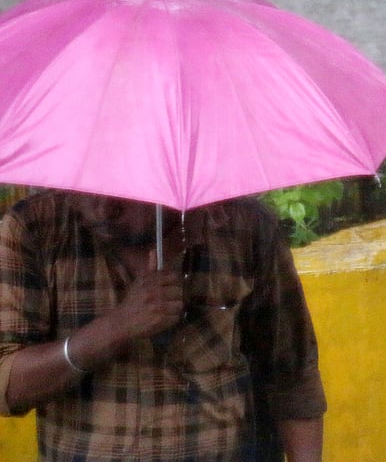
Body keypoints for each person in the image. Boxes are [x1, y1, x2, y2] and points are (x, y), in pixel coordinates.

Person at [0, 190, 326, 462]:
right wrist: (116, 328)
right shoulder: (35, 229)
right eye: (88, 190)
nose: (102, 207)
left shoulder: (244, 226)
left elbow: (292, 372)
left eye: (124, 190)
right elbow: (7, 386)